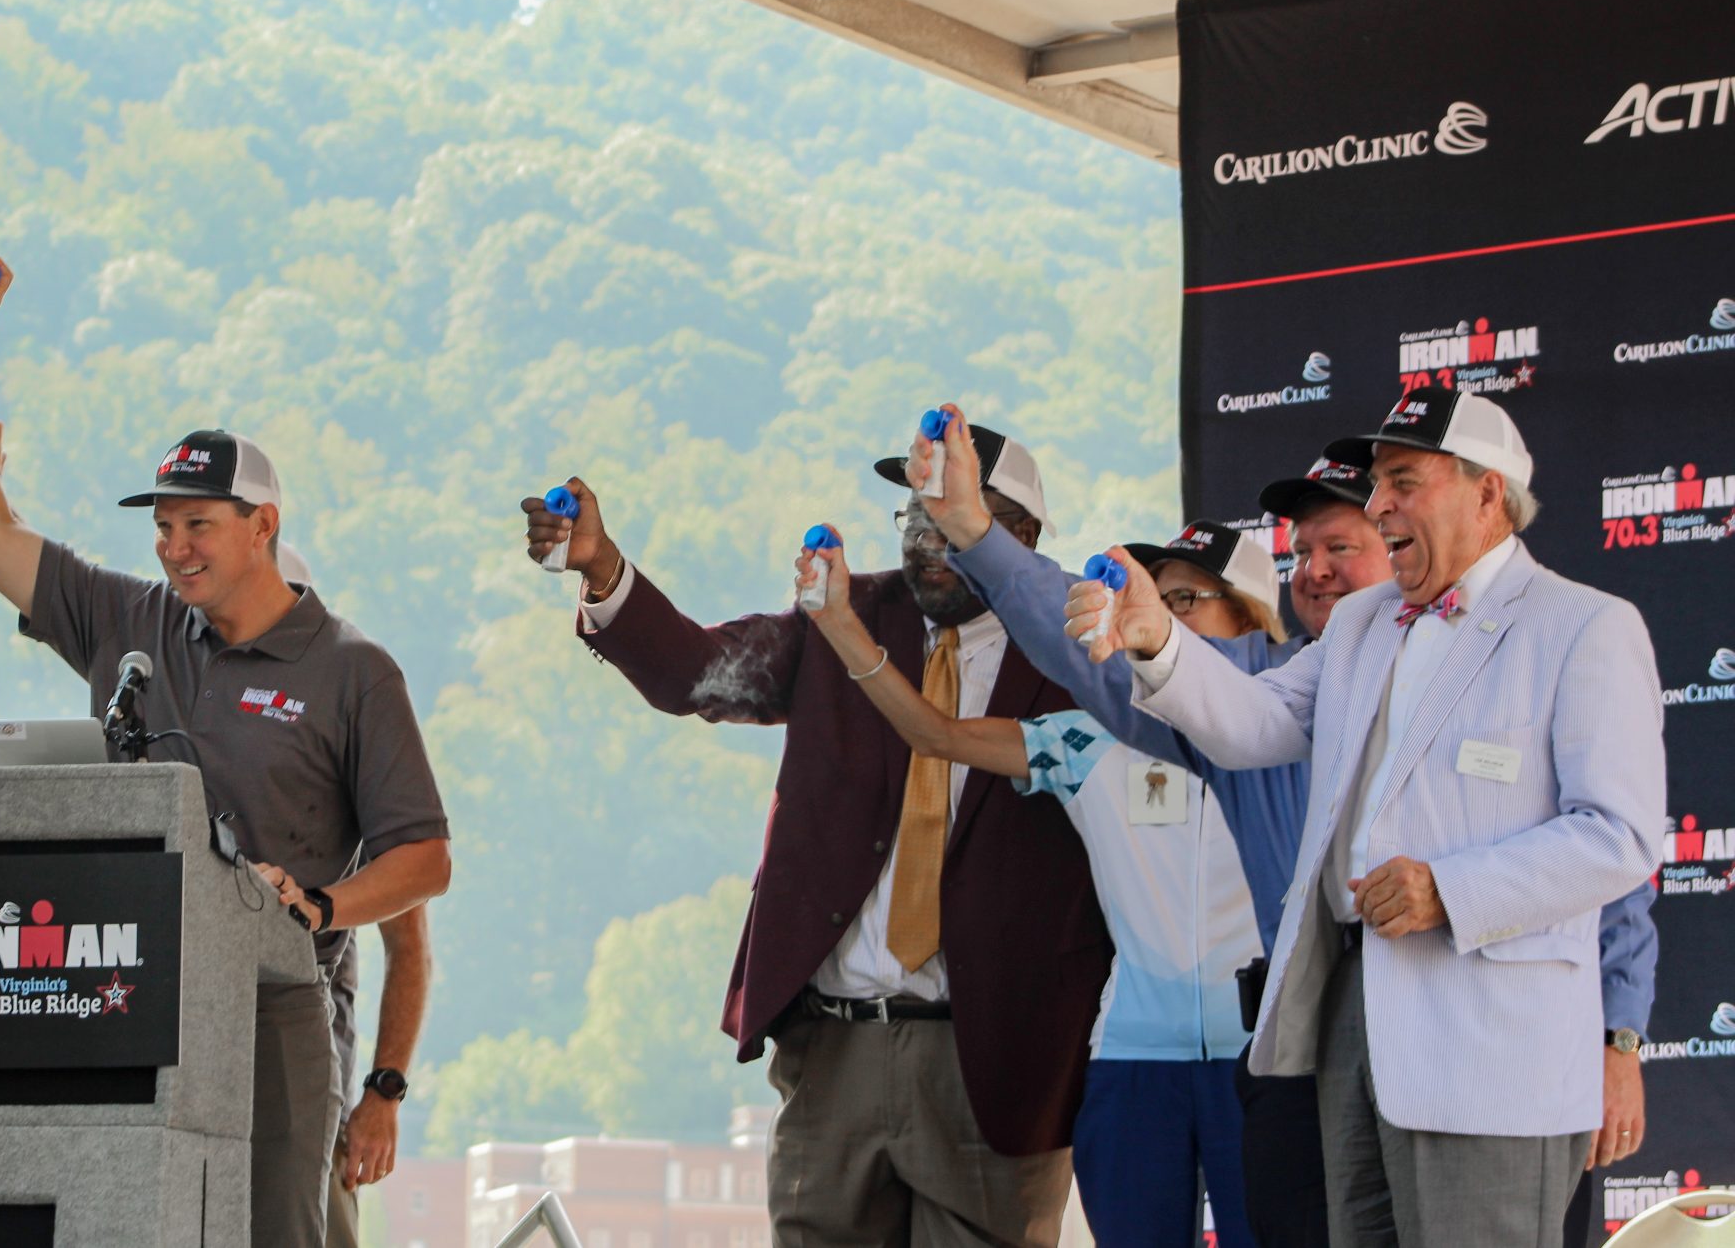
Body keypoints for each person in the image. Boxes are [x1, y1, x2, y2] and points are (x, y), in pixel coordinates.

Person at [914, 412, 1657, 1247]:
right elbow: (1247, 721)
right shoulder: (1364, 629)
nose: (1379, 506)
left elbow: (1619, 838)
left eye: (1402, 483)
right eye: (1376, 487)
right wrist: (1156, 634)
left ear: (1488, 494)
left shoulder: (1582, 625)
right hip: (1342, 1037)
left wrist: (1455, 893)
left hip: (1491, 1055)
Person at [0, 254, 451, 1248]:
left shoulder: (354, 670)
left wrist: (324, 907)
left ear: (264, 525)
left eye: (198, 526)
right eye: (164, 527)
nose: (175, 549)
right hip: (119, 991)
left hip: (277, 1004)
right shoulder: (130, 620)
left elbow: (424, 864)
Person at [522, 425, 1107, 1247]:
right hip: (835, 1047)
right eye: (913, 516)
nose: (927, 537)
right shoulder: (845, 616)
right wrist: (606, 572)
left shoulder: (1081, 652)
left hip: (997, 1060)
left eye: (955, 516)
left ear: (1024, 538)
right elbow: (699, 672)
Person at [797, 518, 1287, 1248]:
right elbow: (936, 734)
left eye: (1188, 599)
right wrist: (838, 626)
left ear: (1253, 620)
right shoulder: (1095, 736)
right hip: (1132, 1063)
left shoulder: (1295, 737)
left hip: (1262, 1060)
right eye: (1158, 598)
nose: (1164, 616)